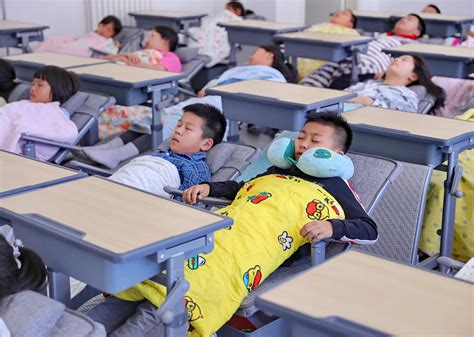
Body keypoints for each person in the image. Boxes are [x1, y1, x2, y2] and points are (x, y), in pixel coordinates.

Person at [87, 113, 378, 336]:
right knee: (155, 274)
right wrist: (209, 188)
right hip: (220, 227)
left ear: (337, 154)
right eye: (302, 137)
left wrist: (331, 226)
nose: (303, 144)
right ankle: (82, 327)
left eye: (315, 141)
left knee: (180, 289)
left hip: (250, 249)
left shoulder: (336, 186)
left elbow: (368, 229)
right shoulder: (279, 170)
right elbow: (241, 187)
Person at [88, 45, 295, 166]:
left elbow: (254, 95)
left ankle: (116, 156)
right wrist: (210, 87)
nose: (250, 55)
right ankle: (109, 147)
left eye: (256, 52)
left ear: (270, 55)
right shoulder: (241, 69)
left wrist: (215, 90)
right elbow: (216, 84)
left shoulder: (273, 77)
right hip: (203, 101)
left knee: (173, 125)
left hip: (220, 108)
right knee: (157, 116)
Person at [87, 104, 226, 199]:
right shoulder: (162, 153)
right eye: (178, 125)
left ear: (206, 144)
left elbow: (186, 204)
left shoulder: (196, 168)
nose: (178, 130)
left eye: (187, 129)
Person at [301, 14, 426, 89]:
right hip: (351, 56)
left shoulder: (413, 45)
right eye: (403, 18)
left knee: (342, 80)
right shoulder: (382, 35)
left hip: (372, 62)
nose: (403, 19)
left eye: (409, 19)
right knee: (313, 81)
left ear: (417, 32)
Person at [0, 66, 79, 161]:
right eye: (33, 84)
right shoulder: (25, 103)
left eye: (40, 85)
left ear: (57, 89)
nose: (33, 88)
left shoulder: (53, 112)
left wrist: (26, 127)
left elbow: (69, 132)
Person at [345, 55, 445, 113]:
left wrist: (367, 101)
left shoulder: (407, 95)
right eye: (397, 58)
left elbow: (401, 119)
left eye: (404, 60)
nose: (396, 59)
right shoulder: (368, 84)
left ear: (413, 76)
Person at [298, 9, 359, 79]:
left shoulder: (351, 33)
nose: (338, 13)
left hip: (326, 68)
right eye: (337, 12)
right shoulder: (321, 26)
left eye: (344, 13)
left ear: (350, 24)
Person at [104, 26, 182, 72]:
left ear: (165, 41)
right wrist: (124, 55)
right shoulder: (143, 52)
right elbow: (101, 59)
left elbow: (157, 70)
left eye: (152, 36)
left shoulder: (171, 57)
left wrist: (125, 60)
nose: (147, 39)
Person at [35, 15, 122, 57]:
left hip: (86, 48)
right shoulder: (92, 34)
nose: (104, 30)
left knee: (62, 48)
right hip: (81, 42)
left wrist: (115, 46)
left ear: (113, 34)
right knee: (53, 40)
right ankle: (37, 55)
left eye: (109, 30)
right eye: (103, 26)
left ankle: (46, 54)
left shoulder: (108, 41)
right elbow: (84, 39)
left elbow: (111, 52)